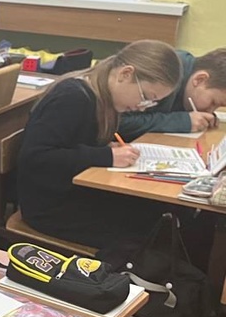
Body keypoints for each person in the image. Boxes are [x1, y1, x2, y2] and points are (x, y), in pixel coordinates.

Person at [18, 40, 181, 248]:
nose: (142, 107)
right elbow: (36, 157)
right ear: (125, 74)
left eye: (152, 102)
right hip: (50, 206)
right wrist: (106, 156)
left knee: (158, 213)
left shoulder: (103, 96)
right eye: (146, 97)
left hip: (76, 192)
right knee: (144, 229)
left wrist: (106, 148)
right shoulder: (72, 96)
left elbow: (75, 143)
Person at [119, 47, 226, 139]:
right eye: (213, 102)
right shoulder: (162, 75)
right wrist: (181, 121)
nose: (211, 111)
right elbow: (119, 122)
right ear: (200, 79)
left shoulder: (191, 77)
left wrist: (197, 118)